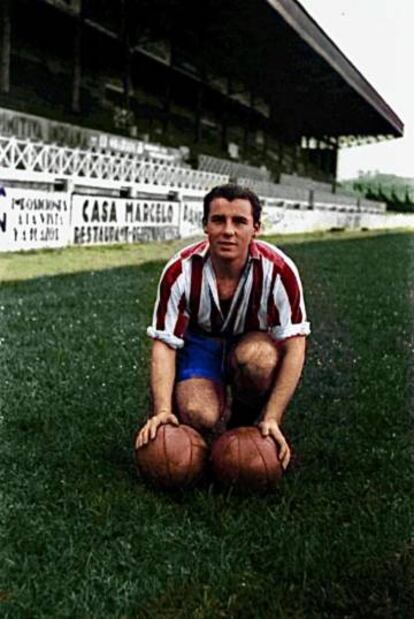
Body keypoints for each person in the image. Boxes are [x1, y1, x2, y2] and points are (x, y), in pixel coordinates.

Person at [135, 184, 310, 469]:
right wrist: (162, 410)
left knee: (259, 360)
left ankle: (243, 425)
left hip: (251, 342)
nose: (228, 231)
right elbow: (164, 344)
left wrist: (273, 417)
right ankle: (194, 417)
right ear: (205, 225)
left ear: (256, 227)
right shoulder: (180, 270)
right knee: (197, 414)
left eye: (239, 221)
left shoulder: (279, 270)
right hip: (201, 343)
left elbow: (295, 346)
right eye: (219, 220)